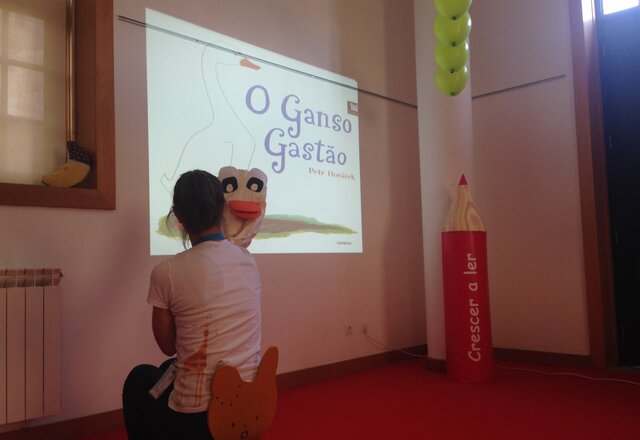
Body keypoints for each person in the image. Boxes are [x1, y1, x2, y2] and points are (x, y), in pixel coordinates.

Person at [123, 170, 262, 440]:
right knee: (167, 369)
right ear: (223, 208)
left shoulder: (167, 271)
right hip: (250, 402)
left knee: (139, 379)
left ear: (178, 215)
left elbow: (167, 345)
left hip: (196, 420)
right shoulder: (248, 260)